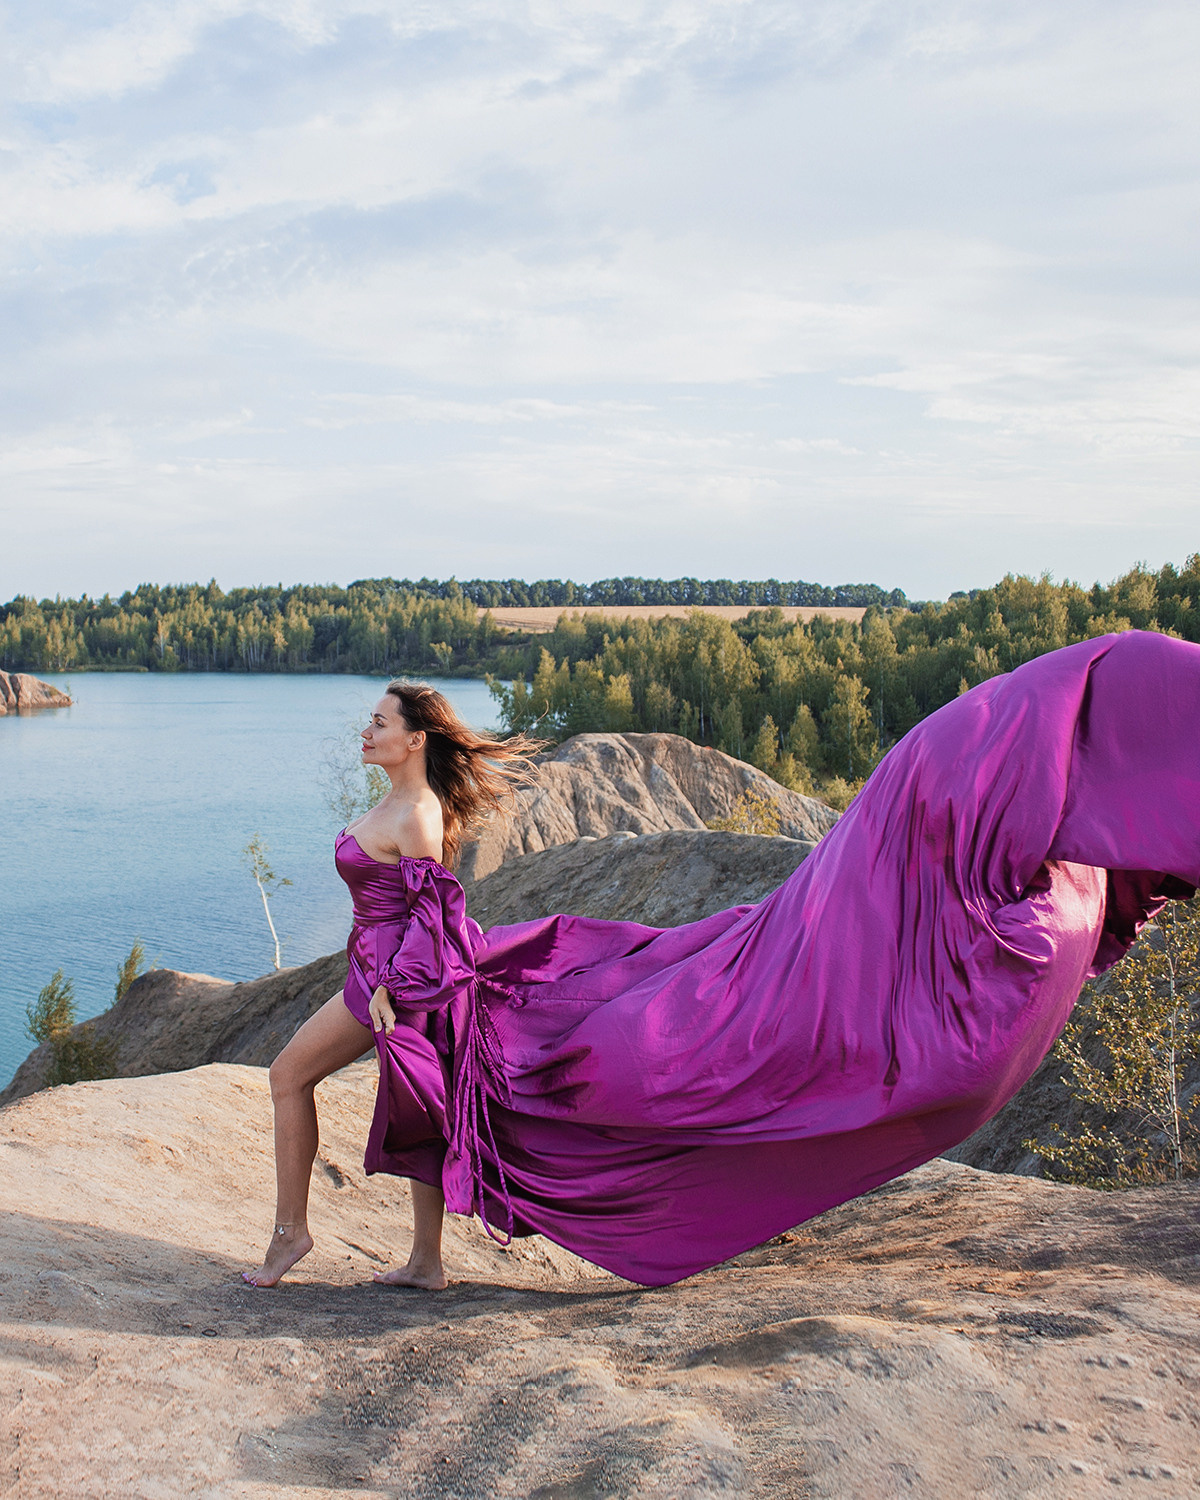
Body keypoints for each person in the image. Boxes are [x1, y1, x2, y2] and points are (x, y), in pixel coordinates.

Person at [247, 630, 1200, 1291]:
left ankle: (298, 1235)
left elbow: (433, 912)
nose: (364, 730)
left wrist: (392, 997)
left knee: (297, 1076)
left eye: (378, 720)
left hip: (389, 979)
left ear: (416, 739)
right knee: (429, 1099)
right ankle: (422, 1260)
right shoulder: (399, 802)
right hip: (389, 974)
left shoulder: (413, 813)